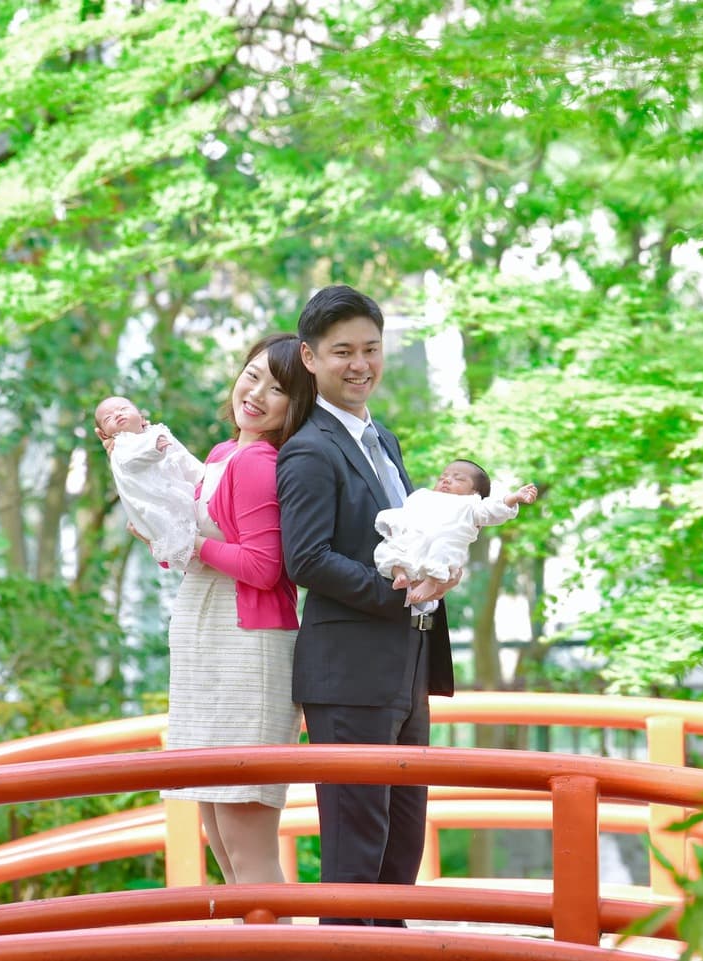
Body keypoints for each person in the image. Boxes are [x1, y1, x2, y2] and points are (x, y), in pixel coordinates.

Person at [101, 333, 314, 889]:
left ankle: (273, 937)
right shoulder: (222, 455)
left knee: (246, 844)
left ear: (297, 405)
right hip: (209, 639)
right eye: (252, 375)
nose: (257, 394)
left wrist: (189, 545)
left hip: (247, 648)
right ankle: (253, 935)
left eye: (278, 389)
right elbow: (192, 546)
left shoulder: (259, 462)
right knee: (221, 839)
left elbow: (264, 567)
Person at [276, 284, 459, 926]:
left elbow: (406, 539)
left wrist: (440, 568)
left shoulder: (384, 441)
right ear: (310, 358)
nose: (361, 364)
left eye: (371, 349)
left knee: (400, 854)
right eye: (343, 351)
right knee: (357, 859)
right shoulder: (308, 449)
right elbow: (306, 558)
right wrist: (398, 592)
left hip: (407, 666)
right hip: (349, 673)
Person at [376, 459, 538, 605]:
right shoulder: (423, 496)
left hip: (442, 548)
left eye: (458, 479)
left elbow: (493, 509)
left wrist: (514, 497)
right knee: (385, 549)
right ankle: (399, 573)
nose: (446, 480)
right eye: (442, 477)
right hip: (412, 542)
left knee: (442, 545)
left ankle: (431, 582)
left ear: (475, 492)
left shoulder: (470, 505)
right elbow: (405, 513)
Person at [94, 395, 206, 570]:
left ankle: (192, 545)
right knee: (166, 523)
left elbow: (182, 457)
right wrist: (154, 449)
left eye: (123, 409)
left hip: (176, 489)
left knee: (187, 512)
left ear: (141, 416)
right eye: (108, 418)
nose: (117, 415)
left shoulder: (157, 432)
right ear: (103, 434)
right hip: (153, 500)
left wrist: (202, 475)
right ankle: (181, 550)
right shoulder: (120, 446)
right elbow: (133, 460)